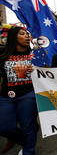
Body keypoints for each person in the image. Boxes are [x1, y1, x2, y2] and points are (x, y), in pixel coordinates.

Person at [0, 26, 38, 155]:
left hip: (28, 95)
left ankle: (29, 151)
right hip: (5, 96)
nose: (27, 36)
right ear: (13, 37)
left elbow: (47, 71)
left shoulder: (35, 55)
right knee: (4, 127)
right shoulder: (3, 53)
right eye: (22, 34)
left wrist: (37, 69)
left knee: (28, 127)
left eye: (27, 34)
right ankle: (26, 141)